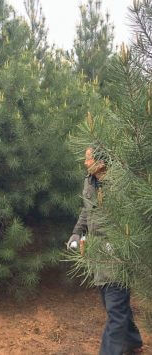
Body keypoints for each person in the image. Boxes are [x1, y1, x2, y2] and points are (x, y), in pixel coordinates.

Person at [67, 147, 143, 355]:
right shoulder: (89, 181)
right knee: (111, 302)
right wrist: (76, 233)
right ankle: (132, 339)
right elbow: (87, 209)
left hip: (117, 255)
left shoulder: (119, 185)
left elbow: (133, 218)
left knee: (115, 308)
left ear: (100, 162)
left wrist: (117, 243)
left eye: (88, 159)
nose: (85, 163)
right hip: (98, 252)